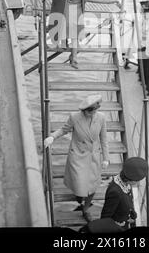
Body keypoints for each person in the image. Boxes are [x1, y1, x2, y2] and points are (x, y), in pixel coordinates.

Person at [44, 94, 109, 222]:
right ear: (84, 110)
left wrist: (106, 158)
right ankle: (79, 196)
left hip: (93, 157)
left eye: (95, 110)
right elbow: (64, 130)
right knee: (79, 185)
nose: (93, 114)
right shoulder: (74, 117)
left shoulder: (101, 118)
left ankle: (85, 209)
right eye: (90, 112)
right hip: (78, 155)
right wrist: (52, 137)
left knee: (92, 186)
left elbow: (104, 139)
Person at [98, 157, 148, 232]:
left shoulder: (125, 183)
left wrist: (132, 214)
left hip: (124, 221)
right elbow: (105, 217)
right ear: (131, 180)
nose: (138, 183)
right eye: (137, 180)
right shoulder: (115, 192)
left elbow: (127, 201)